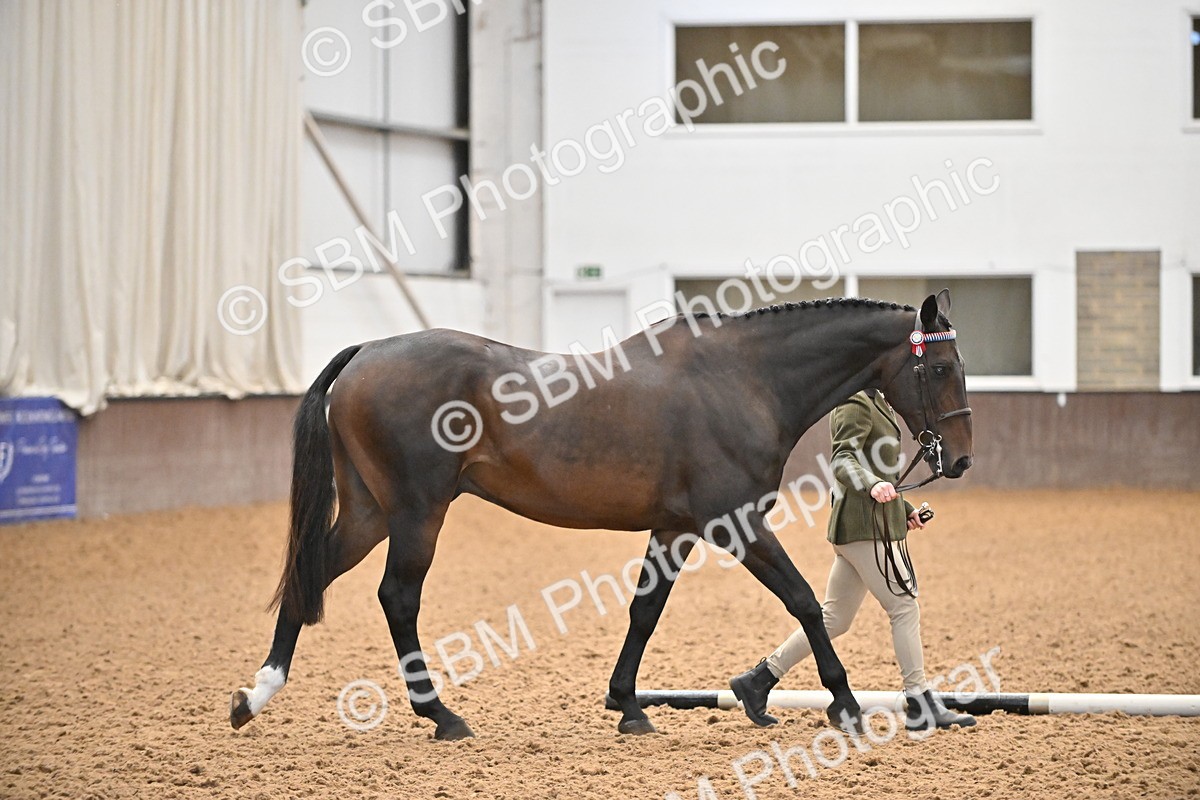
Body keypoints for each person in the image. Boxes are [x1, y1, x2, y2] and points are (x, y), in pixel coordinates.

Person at [729, 389, 975, 732]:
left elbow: (877, 469)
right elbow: (843, 459)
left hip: (867, 523)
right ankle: (919, 702)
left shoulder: (879, 400)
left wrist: (902, 510)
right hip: (863, 527)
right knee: (904, 606)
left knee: (834, 618)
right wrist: (872, 484)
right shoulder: (854, 402)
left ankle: (758, 680)